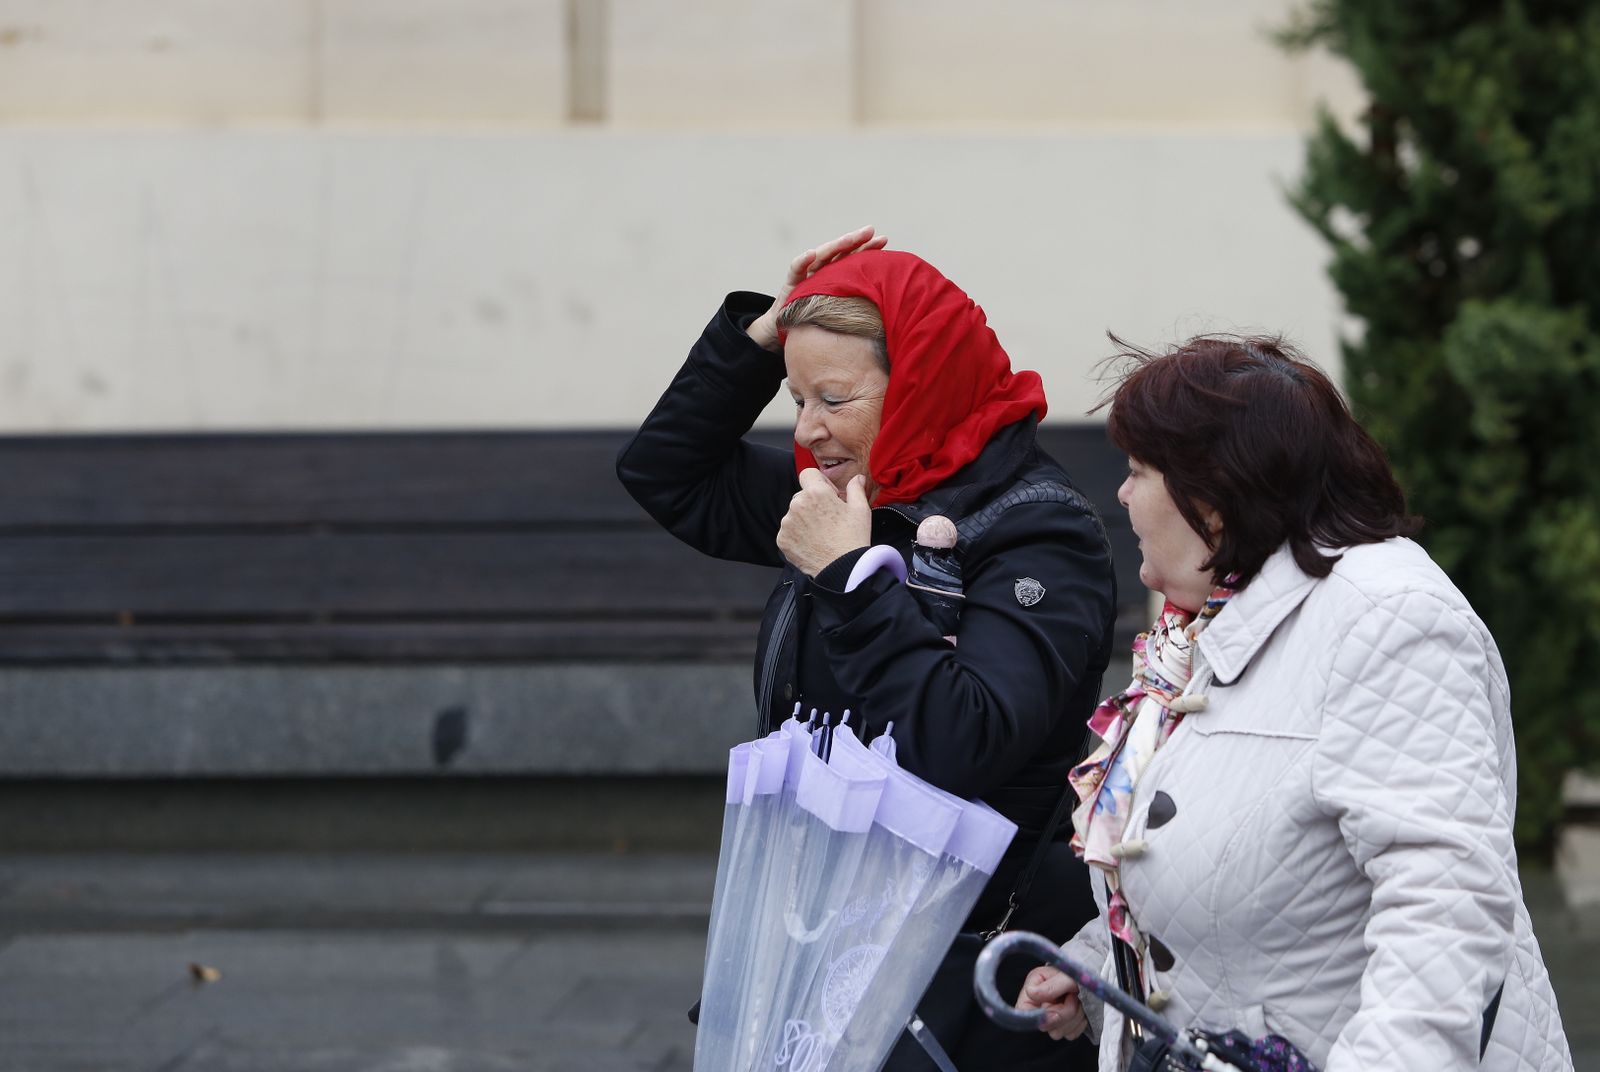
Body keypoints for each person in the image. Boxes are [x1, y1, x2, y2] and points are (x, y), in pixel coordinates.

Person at [616, 227, 1116, 1071]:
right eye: (795, 398)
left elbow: (965, 743)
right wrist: (768, 332)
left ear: (921, 384)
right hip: (816, 940)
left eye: (834, 399)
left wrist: (852, 581)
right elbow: (667, 472)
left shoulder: (1040, 527)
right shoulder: (857, 487)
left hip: (958, 975)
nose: (807, 431)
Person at [1015, 334, 1573, 1071]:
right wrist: (1100, 970)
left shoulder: (1388, 618)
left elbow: (1446, 906)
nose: (1120, 495)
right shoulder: (1210, 623)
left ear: (1211, 496)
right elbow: (1255, 871)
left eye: (1137, 471)